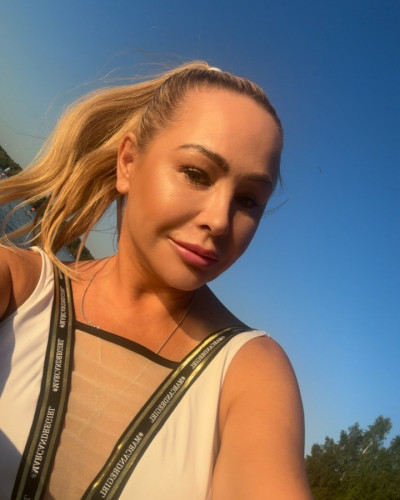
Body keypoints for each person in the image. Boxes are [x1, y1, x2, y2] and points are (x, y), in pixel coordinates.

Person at [0, 61, 312, 499]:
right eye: (196, 174)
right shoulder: (17, 286)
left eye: (247, 200)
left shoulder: (250, 373)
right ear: (128, 163)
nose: (220, 221)